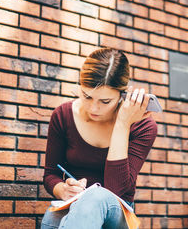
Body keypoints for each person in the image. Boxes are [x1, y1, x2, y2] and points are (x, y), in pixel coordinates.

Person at [41, 48, 158, 229]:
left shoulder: (142, 126)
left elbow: (116, 190)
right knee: (52, 219)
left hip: (118, 213)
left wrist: (122, 124)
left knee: (96, 197)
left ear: (122, 94)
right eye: (87, 96)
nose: (94, 108)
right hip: (74, 206)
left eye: (105, 102)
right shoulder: (62, 116)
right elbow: (51, 174)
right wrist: (62, 189)